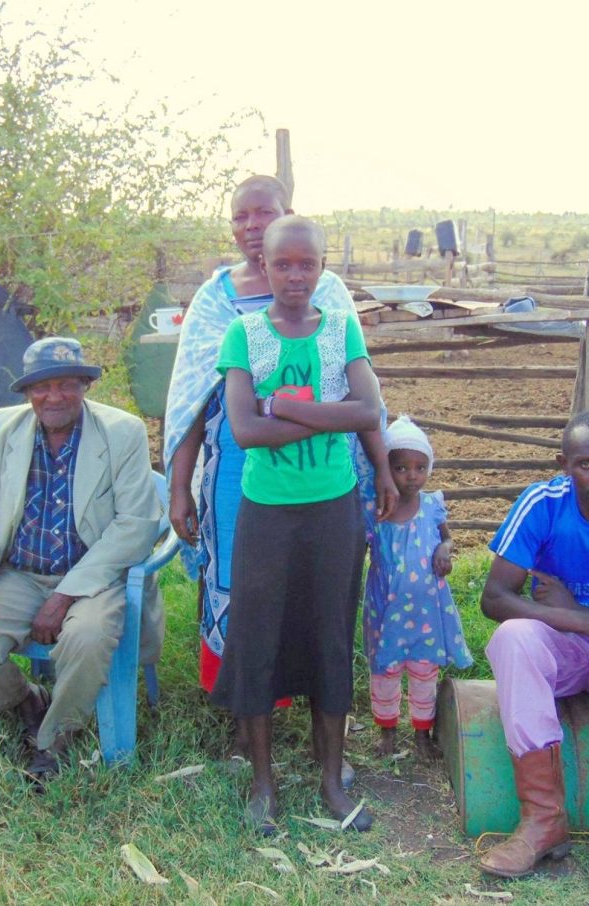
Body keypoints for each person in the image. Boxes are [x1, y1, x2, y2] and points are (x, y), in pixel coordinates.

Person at [164, 175, 395, 762]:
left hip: (322, 474)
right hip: (239, 470)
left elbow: (363, 400)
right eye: (239, 217)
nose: (250, 226)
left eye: (261, 213)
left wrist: (379, 466)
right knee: (244, 590)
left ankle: (306, 717)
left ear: (288, 215)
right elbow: (193, 404)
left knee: (313, 592)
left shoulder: (332, 298)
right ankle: (247, 721)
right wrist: (179, 487)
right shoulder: (218, 304)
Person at [210, 215, 381, 834]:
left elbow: (371, 410)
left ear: (322, 266)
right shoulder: (244, 334)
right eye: (283, 264)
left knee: (331, 635)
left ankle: (332, 780)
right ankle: (264, 786)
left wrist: (282, 403)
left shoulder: (340, 329)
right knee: (257, 636)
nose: (295, 276)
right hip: (267, 512)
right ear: (265, 265)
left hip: (334, 506)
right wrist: (327, 415)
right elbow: (244, 432)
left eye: (307, 264)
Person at [0, 337, 163, 784]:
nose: (53, 397)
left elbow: (136, 524)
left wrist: (63, 595)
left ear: (84, 385)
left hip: (93, 577)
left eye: (66, 385)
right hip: (20, 573)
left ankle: (55, 738)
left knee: (87, 634)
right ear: (27, 393)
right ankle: (26, 701)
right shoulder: (2, 429)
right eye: (41, 387)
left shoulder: (122, 432)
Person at [479, 410, 589, 899]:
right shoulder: (543, 503)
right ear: (564, 464)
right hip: (567, 650)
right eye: (588, 464)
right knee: (515, 638)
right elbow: (495, 598)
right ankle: (543, 820)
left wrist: (572, 609)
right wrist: (584, 622)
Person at [363, 415, 472, 760]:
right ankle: (387, 734)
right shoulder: (377, 509)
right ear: (385, 469)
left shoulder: (431, 506)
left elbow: (447, 537)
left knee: (425, 671)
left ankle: (423, 735)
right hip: (385, 608)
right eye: (401, 468)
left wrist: (444, 550)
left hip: (427, 610)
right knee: (386, 669)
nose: (412, 476)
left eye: (420, 467)